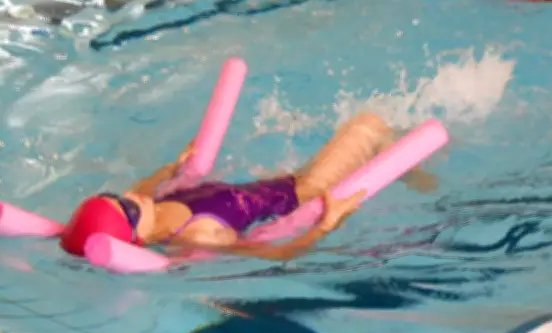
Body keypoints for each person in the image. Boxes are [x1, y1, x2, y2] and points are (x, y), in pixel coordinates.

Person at [60, 112, 438, 261]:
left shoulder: (152, 205)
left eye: (114, 195)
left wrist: (170, 167)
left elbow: (141, 189)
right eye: (126, 208)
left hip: (284, 181)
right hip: (308, 194)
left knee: (370, 136)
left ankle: (405, 168)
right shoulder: (199, 235)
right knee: (367, 126)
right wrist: (326, 225)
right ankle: (418, 177)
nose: (129, 196)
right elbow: (274, 254)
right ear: (135, 240)